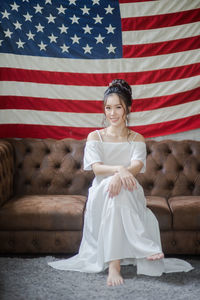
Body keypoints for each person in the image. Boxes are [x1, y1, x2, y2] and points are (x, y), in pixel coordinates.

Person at [48, 79, 193, 286]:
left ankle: (115, 265)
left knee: (119, 190)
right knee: (111, 189)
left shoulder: (137, 138)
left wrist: (121, 175)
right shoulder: (94, 136)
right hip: (101, 192)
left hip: (130, 190)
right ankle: (136, 250)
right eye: (108, 108)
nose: (112, 113)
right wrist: (119, 170)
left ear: (128, 109)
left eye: (118, 107)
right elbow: (97, 168)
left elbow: (136, 166)